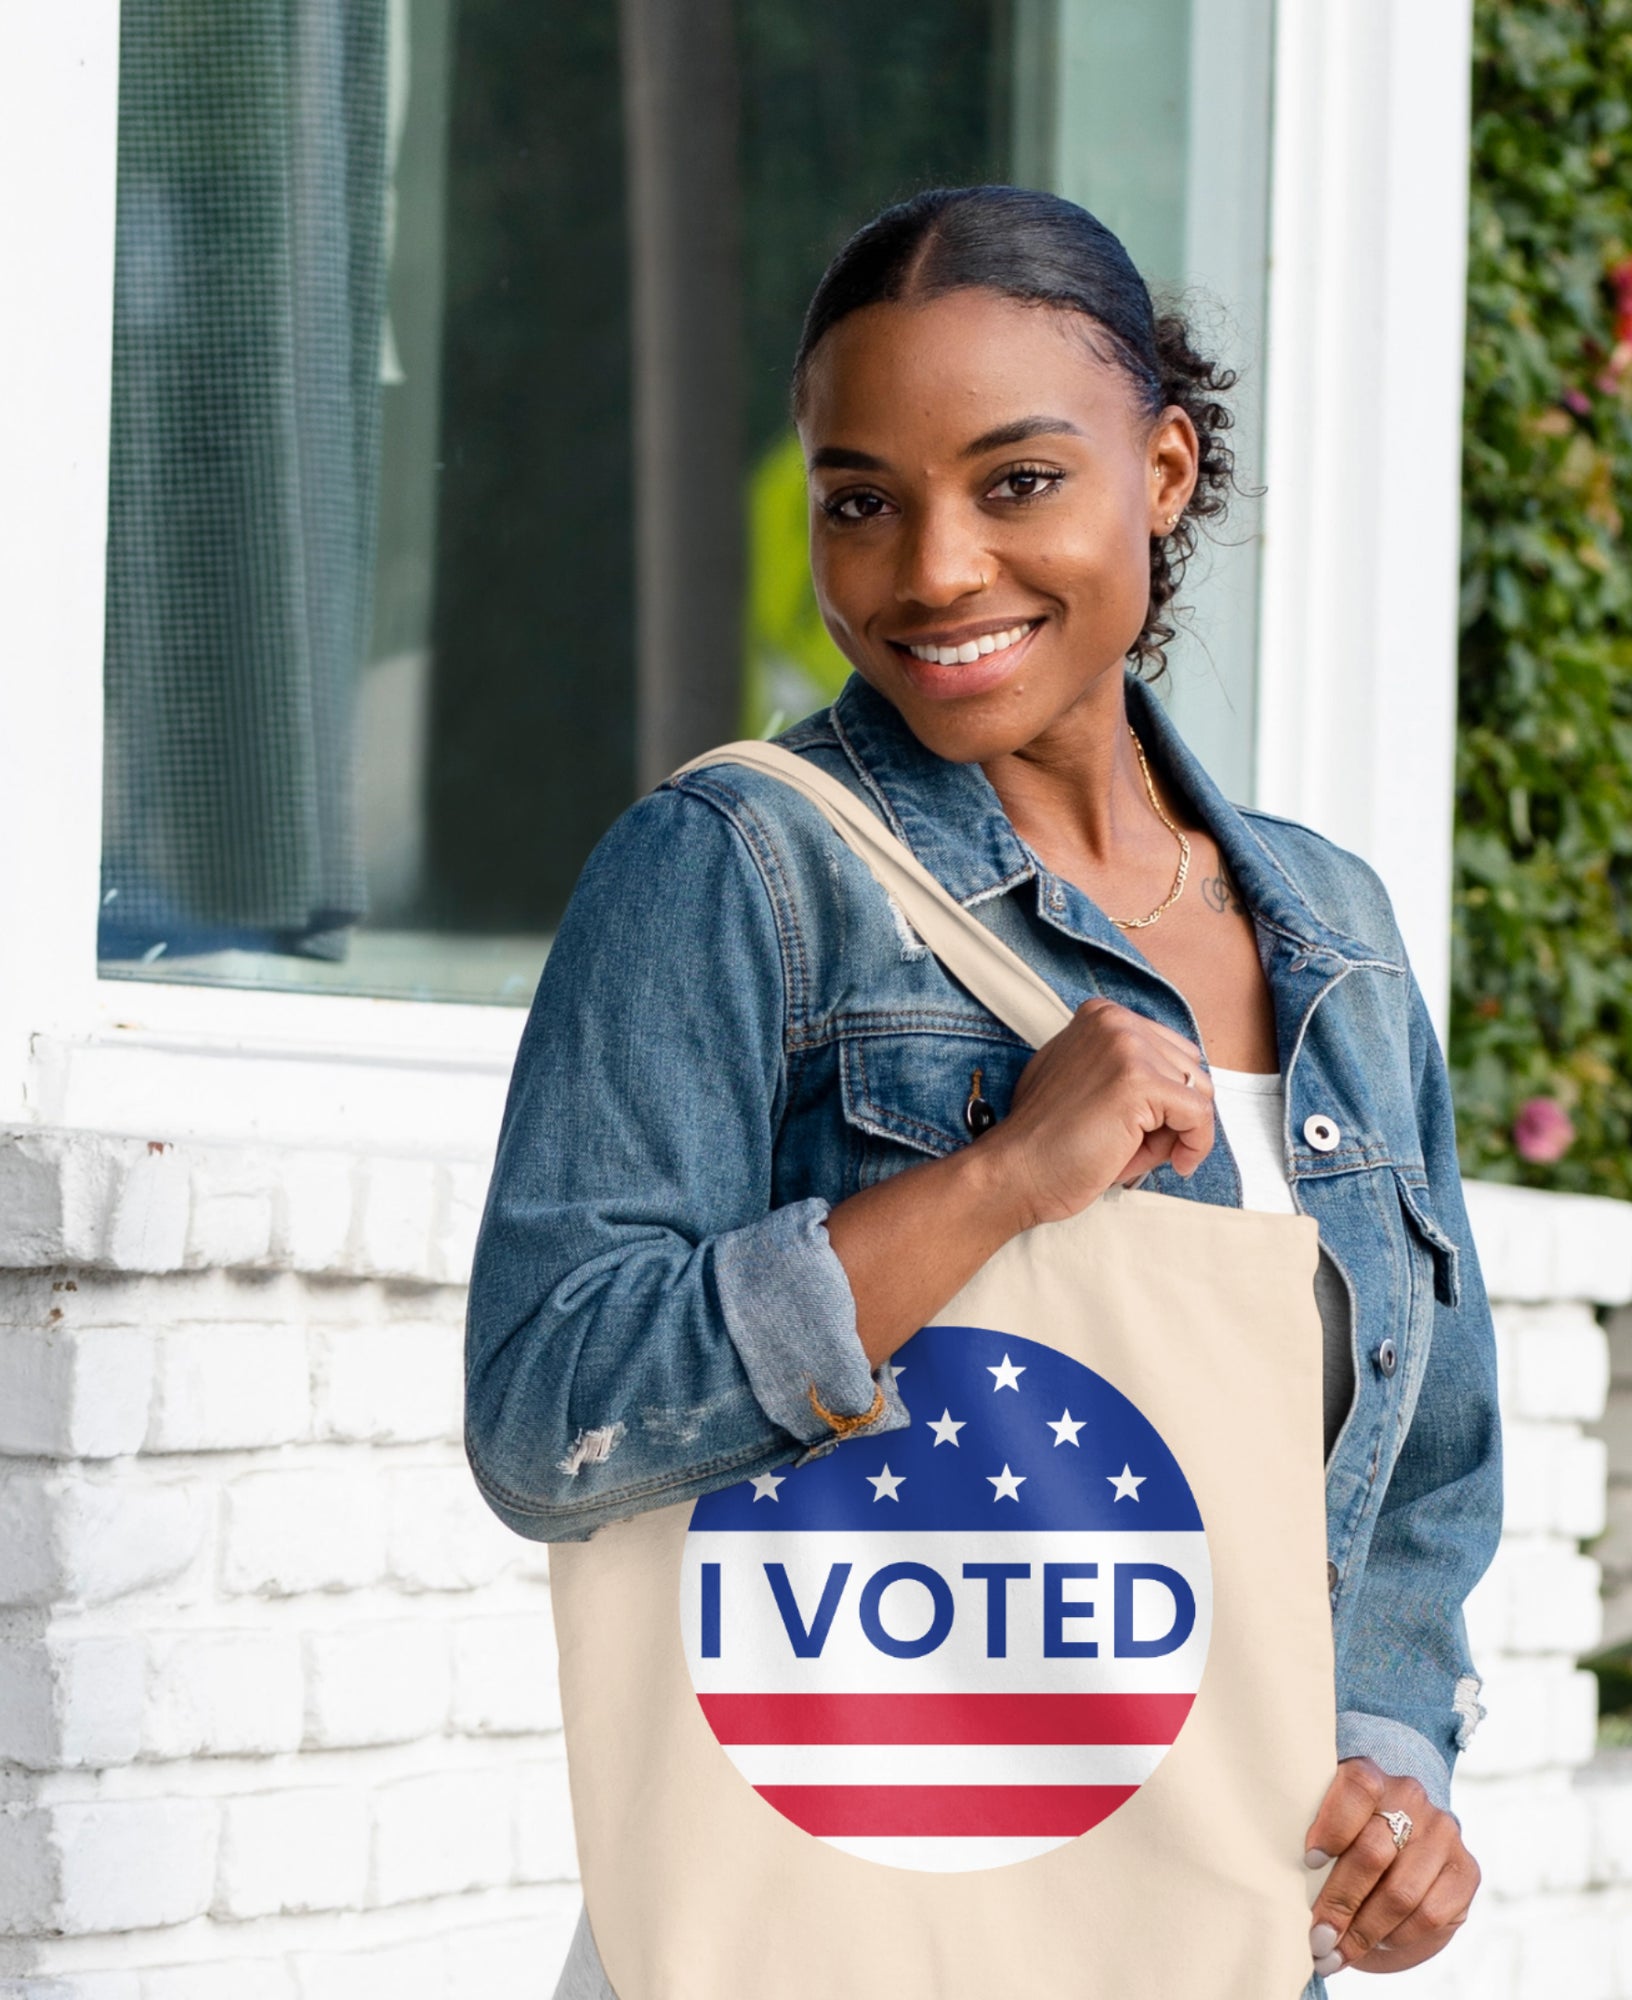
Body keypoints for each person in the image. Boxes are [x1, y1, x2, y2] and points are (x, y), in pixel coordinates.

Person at [465, 185, 1501, 1997]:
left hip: (1208, 1941)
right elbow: (549, 1410)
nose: (932, 569)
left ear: (1163, 472)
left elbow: (1424, 1477)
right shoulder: (734, 870)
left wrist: (1394, 1786)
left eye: (1017, 481)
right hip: (847, 1931)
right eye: (860, 502)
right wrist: (1001, 1180)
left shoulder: (1329, 932)